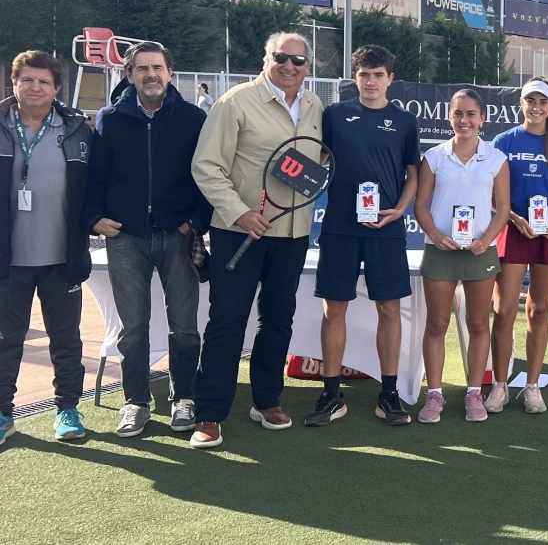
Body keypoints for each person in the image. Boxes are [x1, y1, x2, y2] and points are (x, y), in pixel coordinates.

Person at [189, 32, 324, 448]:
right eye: (281, 58)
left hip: (293, 234)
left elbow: (315, 162)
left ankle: (266, 400)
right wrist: (240, 213)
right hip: (238, 233)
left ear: (307, 67)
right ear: (266, 59)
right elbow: (206, 166)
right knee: (227, 322)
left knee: (278, 319)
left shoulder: (315, 104)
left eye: (298, 61)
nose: (289, 66)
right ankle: (209, 413)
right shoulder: (234, 102)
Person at [82, 41, 212, 438]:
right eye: (142, 68)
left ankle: (184, 398)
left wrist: (197, 221)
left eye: (158, 67)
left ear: (170, 73)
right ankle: (135, 401)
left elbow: (208, 176)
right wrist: (94, 219)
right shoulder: (108, 118)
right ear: (130, 75)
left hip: (179, 234)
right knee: (133, 327)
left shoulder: (194, 119)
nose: (151, 74)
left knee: (185, 327)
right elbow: (96, 177)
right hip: (126, 237)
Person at [307, 45, 420, 427]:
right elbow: (315, 159)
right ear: (354, 78)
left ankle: (388, 394)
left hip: (385, 230)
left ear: (390, 78)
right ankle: (331, 393)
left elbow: (413, 173)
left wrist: (401, 209)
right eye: (363, 75)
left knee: (389, 310)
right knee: (333, 309)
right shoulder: (334, 115)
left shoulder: (404, 121)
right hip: (340, 227)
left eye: (378, 74)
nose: (371, 81)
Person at [0, 51, 92, 445]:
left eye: (44, 82)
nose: (35, 87)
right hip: (9, 261)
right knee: (6, 340)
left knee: (67, 339)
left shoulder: (77, 130)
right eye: (27, 80)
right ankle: (4, 414)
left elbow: (95, 186)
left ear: (57, 89)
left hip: (63, 257)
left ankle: (67, 410)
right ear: (14, 83)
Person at [414, 89, 510, 423]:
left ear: (482, 118)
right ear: (449, 117)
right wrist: (437, 237)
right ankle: (435, 395)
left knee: (478, 323)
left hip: (479, 252)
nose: (464, 120)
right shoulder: (434, 157)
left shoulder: (496, 159)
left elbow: (503, 209)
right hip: (440, 251)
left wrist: (486, 240)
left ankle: (473, 394)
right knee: (437, 323)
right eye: (458, 114)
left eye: (471, 114)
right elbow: (420, 206)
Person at [486, 77, 548, 414]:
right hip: (512, 231)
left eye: (543, 102)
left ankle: (532, 386)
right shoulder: (503, 141)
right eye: (530, 101)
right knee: (504, 310)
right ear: (521, 104)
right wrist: (512, 217)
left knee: (539, 310)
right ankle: (499, 386)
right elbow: (495, 192)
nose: (536, 108)